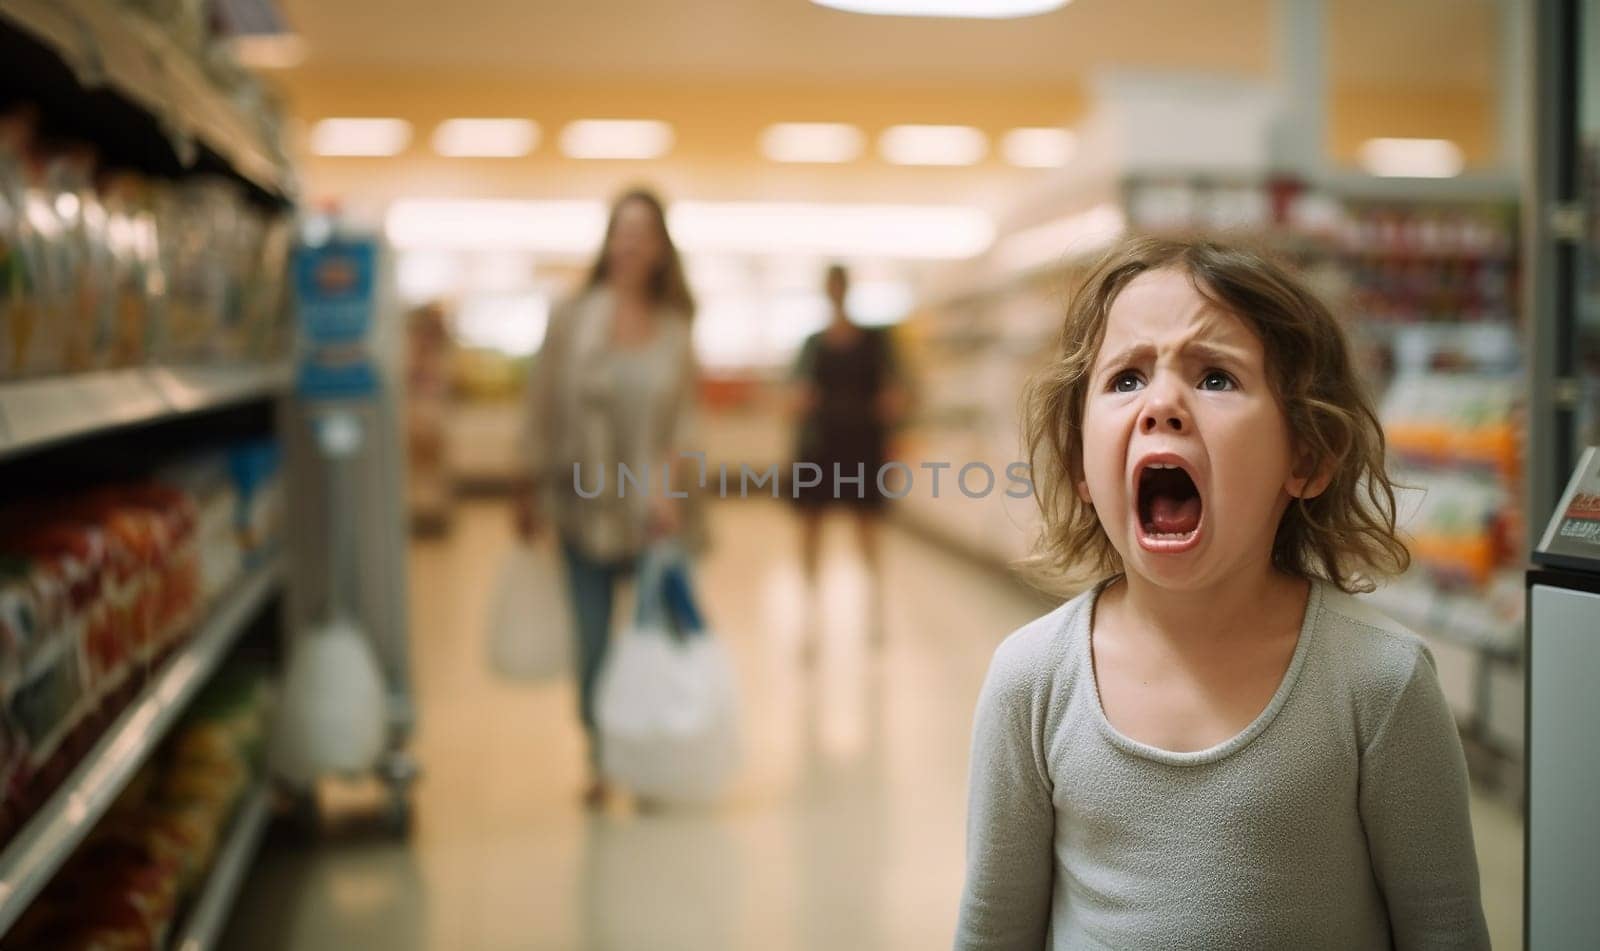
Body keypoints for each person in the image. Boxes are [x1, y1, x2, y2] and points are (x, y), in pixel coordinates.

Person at [955, 237, 1489, 949]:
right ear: (1082, 463)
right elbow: (993, 929)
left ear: (1307, 454)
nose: (1162, 403)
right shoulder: (1032, 680)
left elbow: (1445, 927)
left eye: (1214, 378)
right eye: (1125, 379)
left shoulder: (1378, 683)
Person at [516, 187, 700, 809]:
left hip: (652, 509)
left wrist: (669, 492)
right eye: (620, 230)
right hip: (582, 503)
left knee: (652, 639)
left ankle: (648, 759)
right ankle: (601, 755)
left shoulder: (676, 330)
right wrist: (527, 484)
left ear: (659, 249)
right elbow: (540, 403)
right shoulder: (571, 317)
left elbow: (684, 423)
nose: (628, 243)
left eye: (641, 232)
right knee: (593, 641)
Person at [789, 264, 908, 648]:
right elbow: (795, 394)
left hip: (862, 446)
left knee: (867, 532)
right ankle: (810, 613)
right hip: (820, 447)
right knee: (811, 532)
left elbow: (898, 391)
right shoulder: (812, 343)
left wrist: (891, 412)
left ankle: (873, 613)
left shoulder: (875, 341)